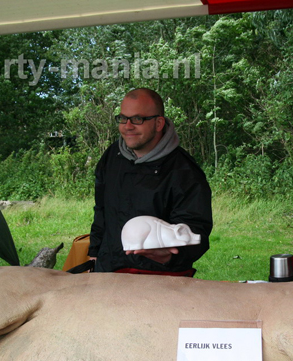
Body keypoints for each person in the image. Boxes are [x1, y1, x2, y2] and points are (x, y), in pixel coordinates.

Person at [88, 88, 213, 275]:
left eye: (137, 119)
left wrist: (170, 256)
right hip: (109, 271)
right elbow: (102, 211)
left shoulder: (184, 171)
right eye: (123, 118)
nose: (128, 126)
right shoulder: (111, 157)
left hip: (159, 276)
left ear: (159, 123)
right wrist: (95, 253)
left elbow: (196, 230)